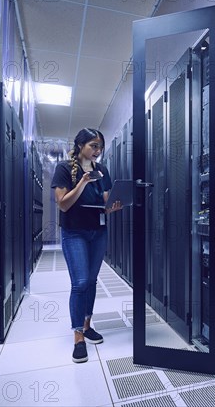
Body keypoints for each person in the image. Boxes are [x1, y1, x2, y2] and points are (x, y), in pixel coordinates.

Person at [51, 128, 122, 363]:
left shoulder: (103, 170)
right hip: (74, 232)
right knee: (80, 282)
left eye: (100, 146)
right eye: (93, 145)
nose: (98, 150)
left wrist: (113, 205)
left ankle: (87, 324)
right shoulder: (64, 169)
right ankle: (78, 336)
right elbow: (63, 204)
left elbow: (105, 201)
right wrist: (82, 181)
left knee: (92, 281)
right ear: (80, 145)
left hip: (98, 231)